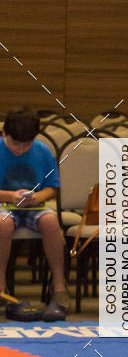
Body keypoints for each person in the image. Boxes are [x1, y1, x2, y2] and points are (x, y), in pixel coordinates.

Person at [0, 108, 69, 319]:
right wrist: (9, 196)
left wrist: (38, 197)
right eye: (15, 144)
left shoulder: (43, 151)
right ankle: (1, 286)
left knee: (50, 222)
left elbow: (52, 188)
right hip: (3, 205)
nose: (20, 149)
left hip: (33, 205)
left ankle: (59, 286)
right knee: (3, 223)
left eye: (26, 145)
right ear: (4, 134)